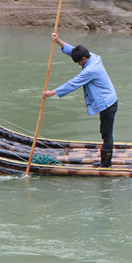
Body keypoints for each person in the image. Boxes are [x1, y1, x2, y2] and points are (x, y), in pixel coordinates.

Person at [42, 33, 118, 168]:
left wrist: (52, 92)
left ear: (84, 58)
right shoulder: (92, 57)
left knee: (106, 133)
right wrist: (58, 40)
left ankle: (106, 164)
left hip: (107, 103)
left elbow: (73, 83)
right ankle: (105, 161)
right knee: (104, 132)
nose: (78, 64)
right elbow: (72, 50)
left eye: (79, 62)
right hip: (107, 100)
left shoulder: (91, 69)